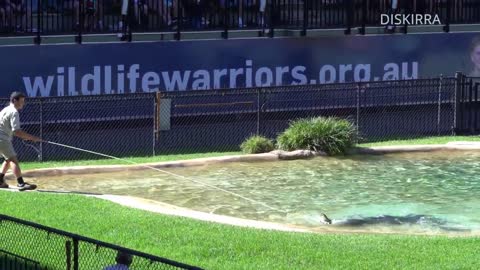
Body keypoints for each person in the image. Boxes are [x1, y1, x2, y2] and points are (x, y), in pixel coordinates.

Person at [0, 92, 43, 191]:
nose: (23, 103)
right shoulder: (14, 112)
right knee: (13, 160)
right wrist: (33, 138)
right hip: (2, 139)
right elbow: (17, 131)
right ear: (15, 100)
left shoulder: (5, 110)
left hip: (2, 138)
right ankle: (21, 183)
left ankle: (0, 180)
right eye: (21, 101)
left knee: (7, 160)